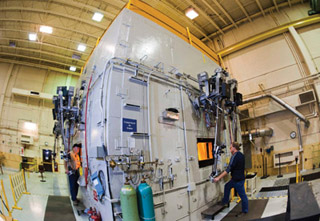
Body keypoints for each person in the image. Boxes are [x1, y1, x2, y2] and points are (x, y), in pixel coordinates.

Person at [213, 142, 248, 217]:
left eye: (231, 147)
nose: (230, 149)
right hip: (237, 178)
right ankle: (225, 201)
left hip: (238, 180)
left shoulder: (235, 156)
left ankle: (244, 211)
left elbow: (228, 169)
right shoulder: (241, 155)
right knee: (227, 186)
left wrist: (218, 178)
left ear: (234, 148)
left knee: (243, 196)